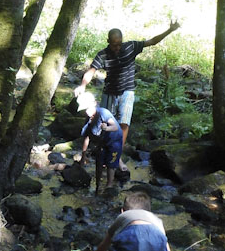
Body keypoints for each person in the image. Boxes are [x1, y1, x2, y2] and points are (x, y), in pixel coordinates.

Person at [74, 21, 180, 171]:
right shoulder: (103, 54)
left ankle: (116, 157)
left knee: (123, 124)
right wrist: (83, 85)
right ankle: (103, 152)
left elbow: (152, 41)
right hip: (109, 92)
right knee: (104, 125)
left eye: (119, 44)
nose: (117, 48)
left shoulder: (131, 47)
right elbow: (91, 71)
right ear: (108, 42)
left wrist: (170, 30)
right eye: (114, 44)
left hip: (127, 91)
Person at [77, 91, 123, 194]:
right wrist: (83, 156)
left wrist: (106, 127)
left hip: (114, 141)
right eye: (85, 109)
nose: (87, 111)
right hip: (101, 143)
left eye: (88, 108)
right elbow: (86, 137)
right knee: (99, 161)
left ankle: (109, 185)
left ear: (94, 104)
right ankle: (98, 187)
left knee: (111, 164)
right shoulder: (88, 119)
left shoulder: (103, 113)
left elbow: (115, 127)